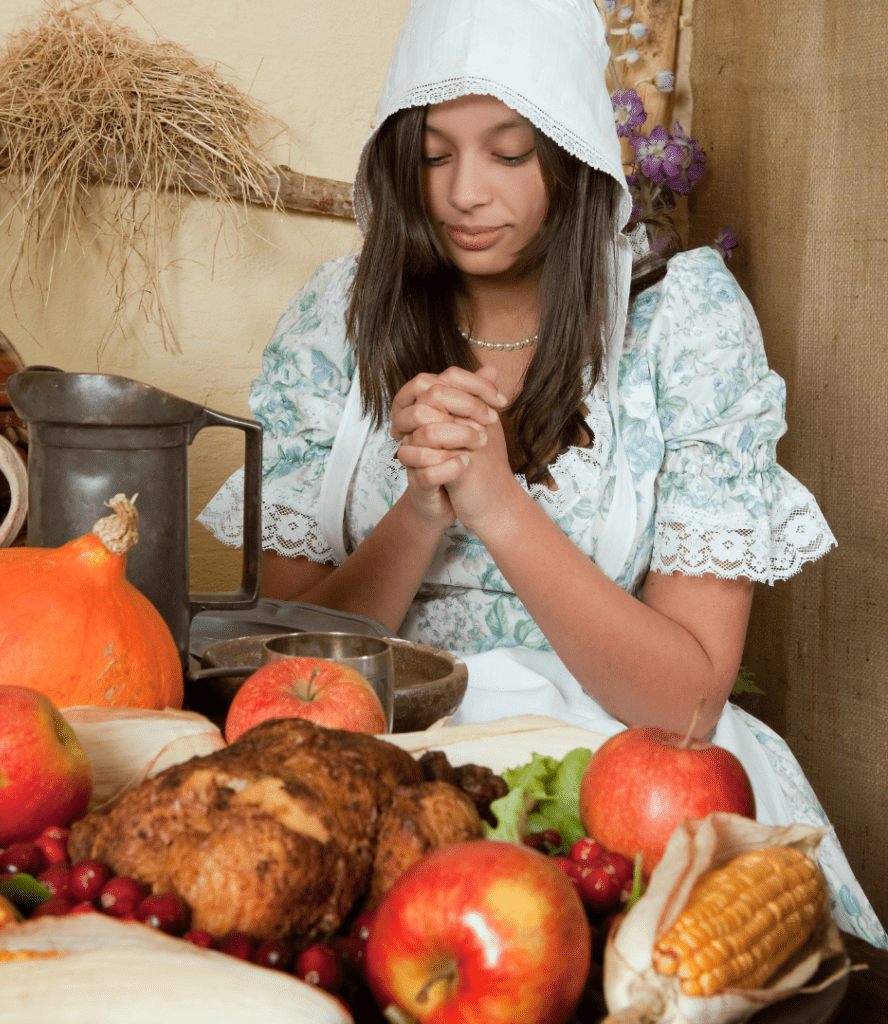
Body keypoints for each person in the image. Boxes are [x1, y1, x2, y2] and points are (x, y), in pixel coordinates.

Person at [200, 0, 886, 945]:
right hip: (384, 763)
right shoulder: (336, 322)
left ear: (571, 150)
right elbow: (294, 674)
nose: (464, 193)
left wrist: (499, 503)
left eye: (509, 151)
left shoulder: (680, 326)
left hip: (625, 770)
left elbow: (687, 700)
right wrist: (421, 510)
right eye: (435, 154)